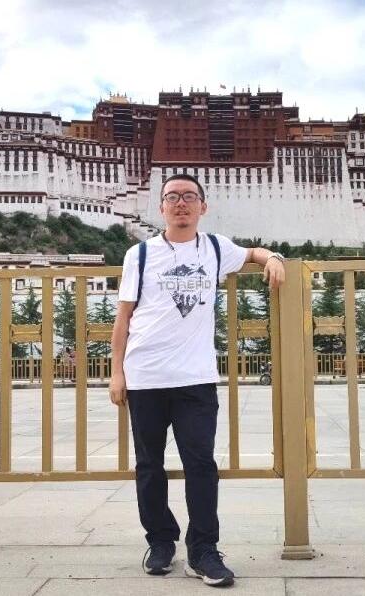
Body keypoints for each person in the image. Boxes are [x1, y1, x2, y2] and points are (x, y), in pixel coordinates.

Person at [109, 173, 286, 588]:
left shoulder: (216, 248)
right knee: (149, 466)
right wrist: (117, 372)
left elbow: (253, 252)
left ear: (203, 207)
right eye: (172, 196)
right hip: (146, 376)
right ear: (161, 207)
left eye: (189, 196)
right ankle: (160, 541)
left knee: (201, 465)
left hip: (196, 379)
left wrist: (273, 258)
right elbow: (123, 317)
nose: (181, 203)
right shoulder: (140, 254)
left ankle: (203, 550)